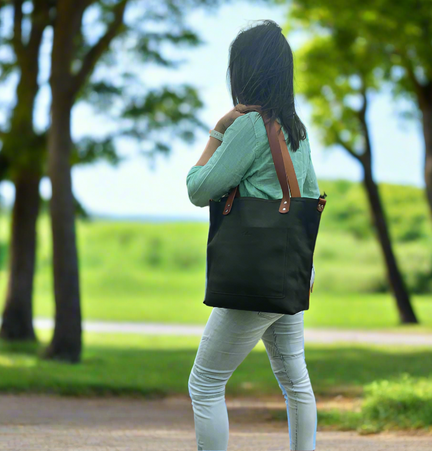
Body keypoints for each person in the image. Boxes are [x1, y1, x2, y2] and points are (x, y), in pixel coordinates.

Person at [185, 19, 320, 451]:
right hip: (292, 267)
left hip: (256, 275)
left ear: (244, 71)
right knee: (295, 379)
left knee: (205, 383)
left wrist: (217, 132)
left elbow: (198, 189)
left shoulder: (247, 127)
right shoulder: (296, 130)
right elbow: (310, 199)